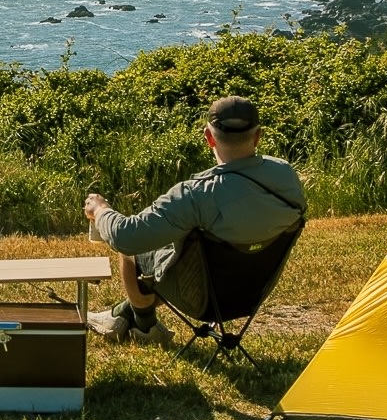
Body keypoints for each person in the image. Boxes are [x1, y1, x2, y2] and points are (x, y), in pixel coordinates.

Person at [82, 95, 306, 343]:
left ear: (209, 138)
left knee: (135, 252)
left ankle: (146, 328)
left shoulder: (196, 195)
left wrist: (100, 209)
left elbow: (126, 237)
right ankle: (120, 315)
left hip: (202, 301)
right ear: (257, 136)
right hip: (252, 295)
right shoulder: (286, 176)